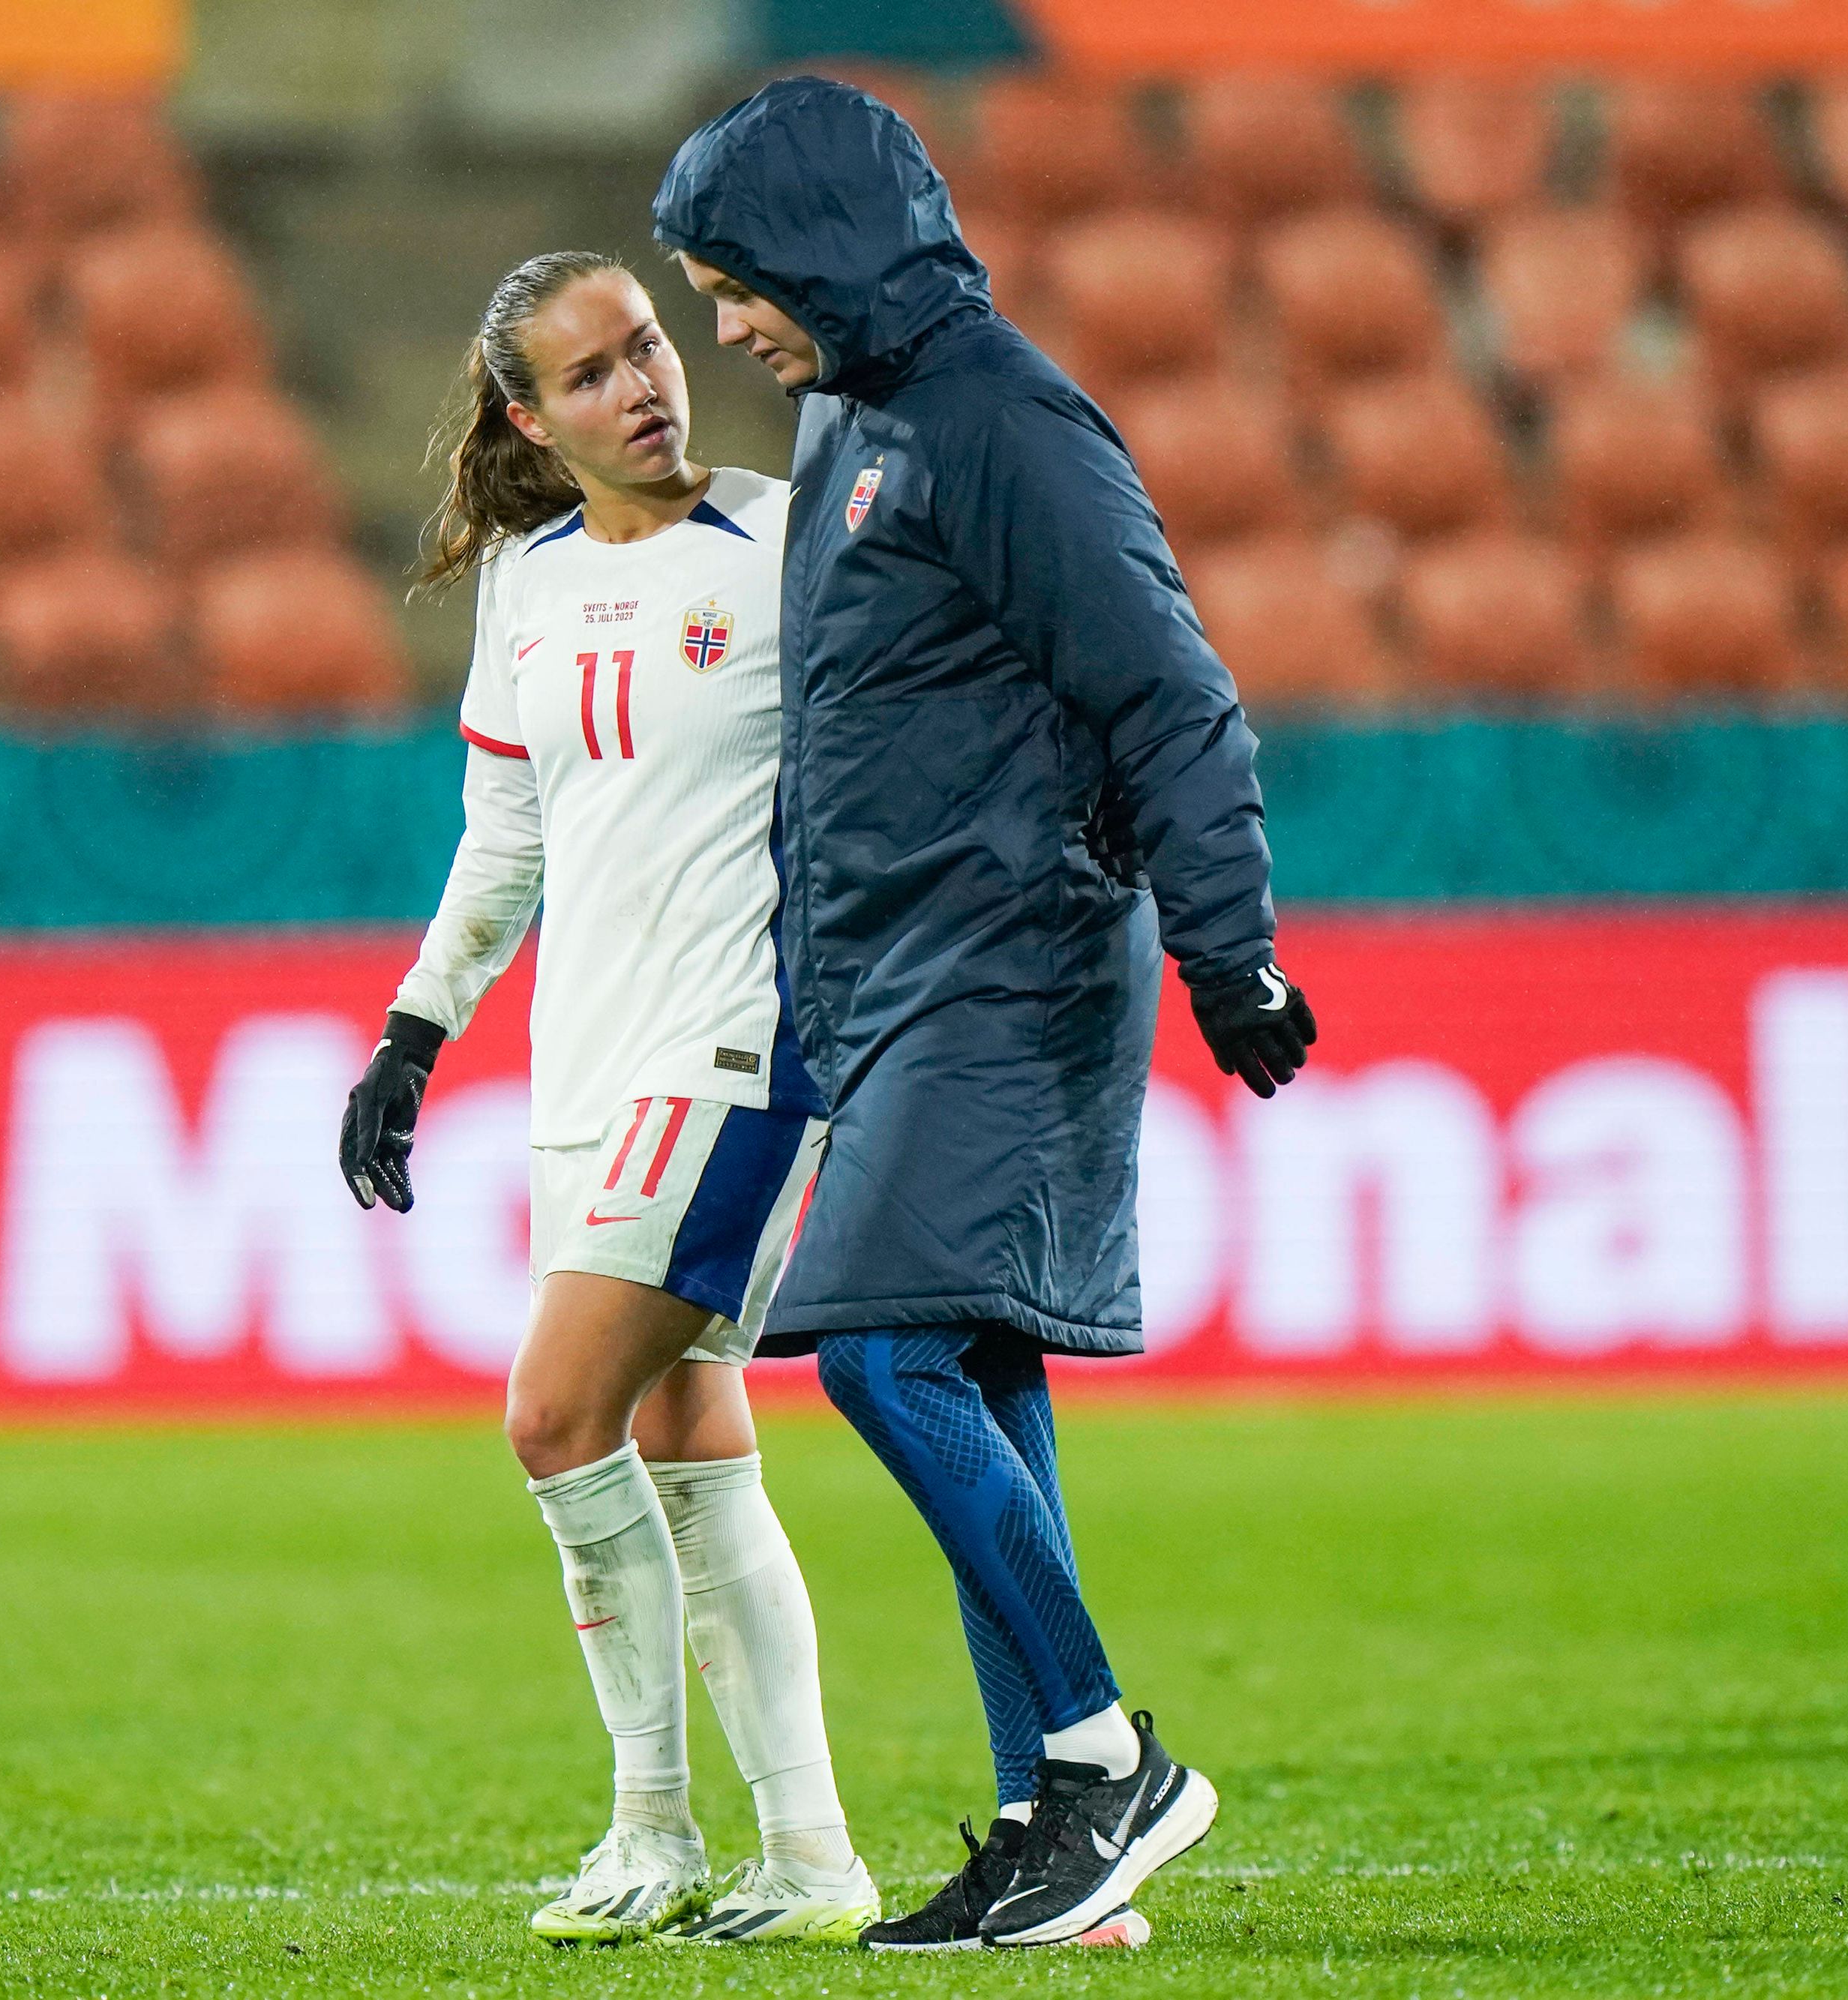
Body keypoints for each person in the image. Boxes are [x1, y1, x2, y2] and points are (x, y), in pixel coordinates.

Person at [651, 79, 1322, 1952]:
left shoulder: (1002, 422)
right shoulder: (852, 411)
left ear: (816, 251)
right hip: (890, 974)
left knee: (874, 1351)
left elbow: (1169, 694)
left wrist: (1229, 945)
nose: (725, 327)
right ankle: (1047, 1816)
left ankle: (1113, 1769)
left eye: (732, 285)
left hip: (1007, 966)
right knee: (981, 1362)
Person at [337, 249, 879, 1946]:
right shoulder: (527, 582)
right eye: (590, 374)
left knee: (550, 1416)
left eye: (646, 344)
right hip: (587, 1062)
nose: (642, 383)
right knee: (683, 1435)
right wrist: (416, 1031)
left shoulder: (798, 541)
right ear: (528, 414)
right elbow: (505, 842)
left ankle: (650, 1827)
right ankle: (808, 1863)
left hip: (743, 1046)